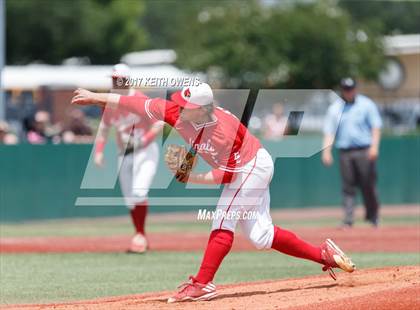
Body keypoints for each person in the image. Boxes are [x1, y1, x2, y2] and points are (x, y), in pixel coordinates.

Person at [71, 82, 355, 303]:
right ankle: (324, 254)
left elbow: (229, 175)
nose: (178, 107)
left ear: (203, 109)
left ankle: (202, 283)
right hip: (246, 167)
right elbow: (136, 102)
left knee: (222, 220)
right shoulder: (175, 112)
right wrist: (96, 97)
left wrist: (189, 177)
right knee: (261, 236)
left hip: (251, 166)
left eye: (186, 105)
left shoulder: (222, 130)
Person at [94, 64, 163, 253]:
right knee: (131, 199)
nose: (115, 82)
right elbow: (104, 129)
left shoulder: (139, 99)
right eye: (113, 79)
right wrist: (99, 151)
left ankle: (140, 236)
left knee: (140, 192)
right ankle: (140, 235)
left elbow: (159, 124)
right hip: (124, 153)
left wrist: (142, 141)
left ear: (127, 80)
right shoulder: (109, 102)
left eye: (119, 79)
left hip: (146, 151)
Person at [322, 77, 382, 228]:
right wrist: (326, 151)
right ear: (342, 90)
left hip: (364, 150)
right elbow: (329, 131)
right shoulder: (335, 108)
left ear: (356, 88)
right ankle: (348, 220)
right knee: (348, 186)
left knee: (368, 184)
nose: (349, 92)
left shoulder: (366, 104)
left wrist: (374, 147)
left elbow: (376, 126)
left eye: (351, 88)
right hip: (345, 152)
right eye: (346, 89)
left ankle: (373, 216)